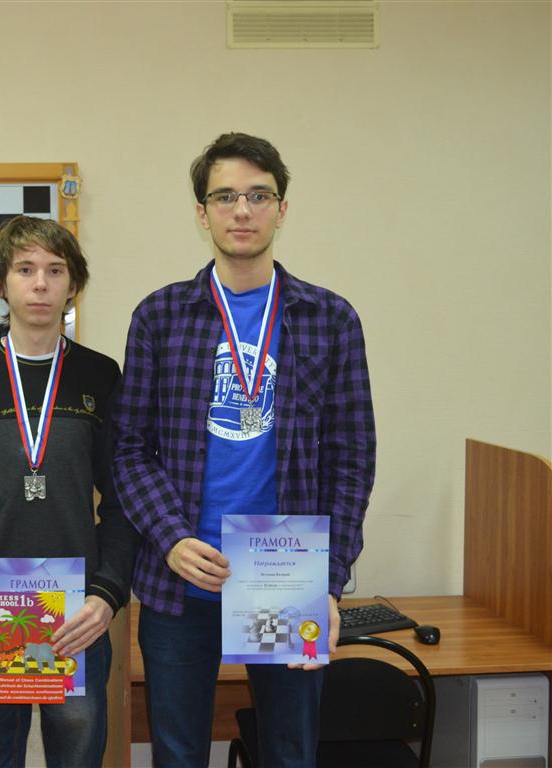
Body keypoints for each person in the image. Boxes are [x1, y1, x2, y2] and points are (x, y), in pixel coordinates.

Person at [111, 133, 376, 767]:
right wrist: (171, 538)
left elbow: (352, 461)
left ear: (282, 209)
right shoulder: (160, 317)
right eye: (225, 196)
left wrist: (328, 583)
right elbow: (128, 450)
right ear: (201, 213)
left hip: (285, 575)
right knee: (178, 754)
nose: (242, 210)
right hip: (183, 580)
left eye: (259, 195)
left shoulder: (329, 318)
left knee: (288, 752)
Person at [0, 215, 137, 768]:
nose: (40, 283)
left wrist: (107, 594)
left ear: (74, 285)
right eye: (25, 269)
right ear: (2, 284)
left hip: (77, 618)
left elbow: (122, 504)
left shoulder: (100, 376)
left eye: (55, 270)